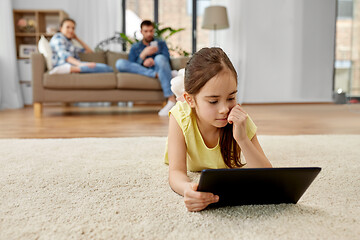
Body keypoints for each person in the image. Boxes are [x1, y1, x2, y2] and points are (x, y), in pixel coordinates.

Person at [165, 48, 272, 212]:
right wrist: (187, 189)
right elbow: (176, 172)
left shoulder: (239, 117)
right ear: (190, 100)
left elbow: (267, 177)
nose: (224, 109)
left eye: (231, 98)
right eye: (213, 101)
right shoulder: (180, 116)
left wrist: (242, 139)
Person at [115, 20, 176, 116]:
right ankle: (158, 75)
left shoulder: (160, 44)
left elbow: (166, 59)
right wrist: (143, 56)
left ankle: (171, 99)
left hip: (158, 68)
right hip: (144, 70)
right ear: (141, 32)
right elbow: (132, 65)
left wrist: (154, 59)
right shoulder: (136, 47)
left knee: (160, 58)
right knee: (120, 63)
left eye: (151, 31)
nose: (149, 34)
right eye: (146, 31)